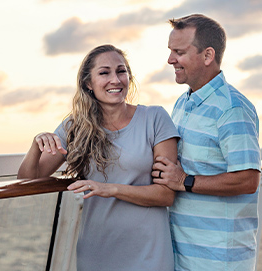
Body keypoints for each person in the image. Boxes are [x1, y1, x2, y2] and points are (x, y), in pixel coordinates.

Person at [17, 44, 179, 271]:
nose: (115, 79)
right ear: (88, 83)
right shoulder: (74, 126)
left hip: (149, 254)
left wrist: (109, 189)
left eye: (121, 71)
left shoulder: (155, 118)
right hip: (96, 253)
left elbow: (166, 195)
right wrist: (36, 145)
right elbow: (28, 180)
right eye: (104, 73)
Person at [152, 14, 262, 270]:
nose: (170, 60)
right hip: (184, 256)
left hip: (219, 260)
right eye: (170, 51)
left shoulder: (231, 108)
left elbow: (248, 179)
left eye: (179, 52)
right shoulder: (183, 103)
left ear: (207, 55)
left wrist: (184, 181)